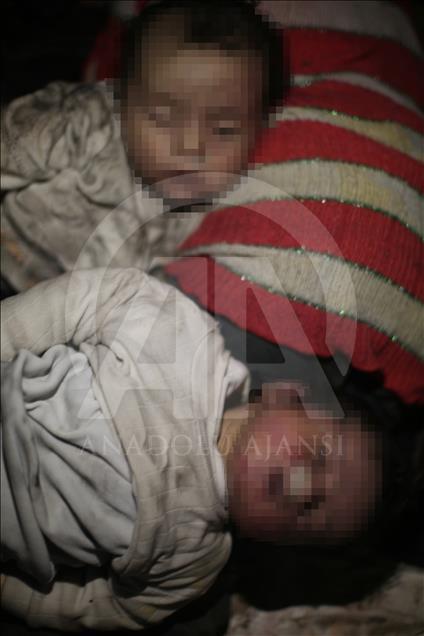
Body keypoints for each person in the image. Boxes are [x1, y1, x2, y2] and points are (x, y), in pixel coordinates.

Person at [1, 267, 382, 631]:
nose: (308, 489)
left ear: (276, 544)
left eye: (313, 515)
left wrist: (13, 592)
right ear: (285, 394)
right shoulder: (188, 341)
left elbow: (103, 606)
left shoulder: (194, 563)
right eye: (319, 455)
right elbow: (91, 297)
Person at [0, 0, 285, 294]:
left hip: (66, 308)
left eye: (224, 130)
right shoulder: (85, 124)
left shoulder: (219, 205)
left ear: (260, 130)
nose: (191, 146)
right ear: (120, 99)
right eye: (162, 117)